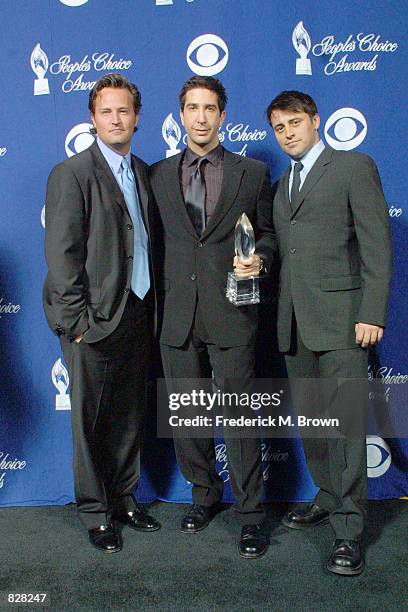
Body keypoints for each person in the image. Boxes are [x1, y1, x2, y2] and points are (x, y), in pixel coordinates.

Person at [266, 90, 392, 575]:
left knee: (344, 429)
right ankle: (326, 494)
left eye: (295, 122)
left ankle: (349, 531)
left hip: (344, 322)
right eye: (279, 127)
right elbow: (286, 250)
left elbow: (376, 244)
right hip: (295, 325)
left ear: (315, 121)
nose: (288, 133)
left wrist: (372, 312)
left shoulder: (353, 166)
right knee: (316, 425)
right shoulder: (283, 185)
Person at [150, 76, 275, 558]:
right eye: (192, 108)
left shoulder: (253, 173)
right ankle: (203, 497)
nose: (200, 117)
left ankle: (251, 515)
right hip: (177, 316)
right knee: (189, 417)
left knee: (242, 419)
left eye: (209, 108)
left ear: (223, 116)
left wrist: (260, 258)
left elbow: (268, 235)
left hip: (233, 312)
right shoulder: (157, 174)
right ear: (181, 115)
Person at [43, 73, 160, 553]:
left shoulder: (145, 171)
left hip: (138, 311)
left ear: (137, 118)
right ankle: (95, 512)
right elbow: (62, 252)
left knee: (129, 415)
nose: (116, 119)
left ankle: (124, 497)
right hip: (90, 320)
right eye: (106, 111)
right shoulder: (71, 173)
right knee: (89, 421)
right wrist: (75, 323)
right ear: (93, 119)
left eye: (124, 111)